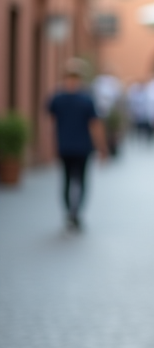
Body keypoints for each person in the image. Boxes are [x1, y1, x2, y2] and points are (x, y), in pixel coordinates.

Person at [46, 61, 107, 230]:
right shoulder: (83, 99)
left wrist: (101, 147)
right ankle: (73, 213)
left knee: (73, 180)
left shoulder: (60, 98)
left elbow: (94, 125)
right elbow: (95, 125)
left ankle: (73, 213)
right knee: (74, 180)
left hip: (76, 146)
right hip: (75, 146)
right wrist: (102, 148)